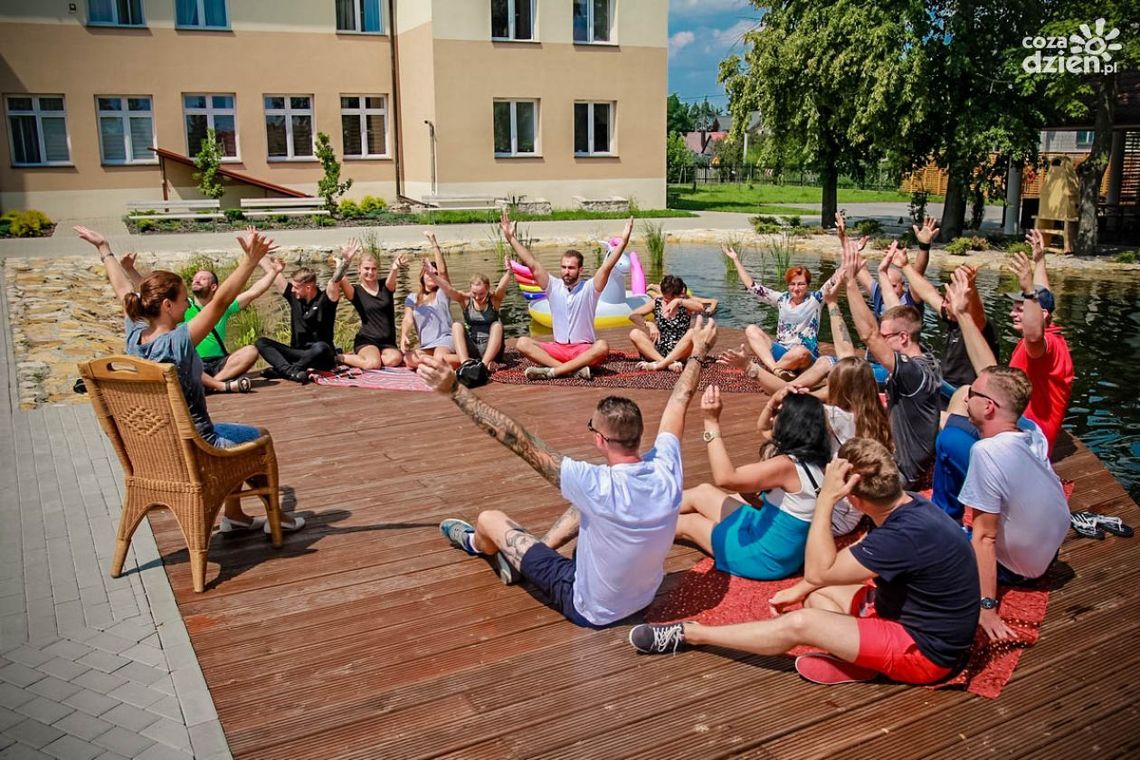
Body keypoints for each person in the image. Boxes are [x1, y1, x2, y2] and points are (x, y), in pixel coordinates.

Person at [427, 317, 719, 627]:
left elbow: (516, 439)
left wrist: (456, 391)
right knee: (586, 505)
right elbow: (680, 398)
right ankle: (537, 551)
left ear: (599, 439)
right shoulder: (666, 467)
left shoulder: (595, 484)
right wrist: (698, 351)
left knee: (489, 519)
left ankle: (476, 544)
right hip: (642, 599)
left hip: (588, 607)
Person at [629, 438, 980, 688]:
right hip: (905, 613)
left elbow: (819, 569)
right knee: (816, 596)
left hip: (924, 652)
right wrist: (800, 587)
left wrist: (825, 499)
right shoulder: (907, 503)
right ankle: (862, 661)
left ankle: (691, 634)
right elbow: (831, 570)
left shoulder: (901, 536)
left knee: (803, 623)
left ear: (853, 499)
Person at [74, 225, 303, 533]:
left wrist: (104, 248)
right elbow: (220, 301)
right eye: (183, 299)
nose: (187, 305)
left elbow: (122, 290)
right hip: (197, 446)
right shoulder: (178, 342)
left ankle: (235, 516)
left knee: (238, 434)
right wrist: (249, 261)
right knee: (259, 440)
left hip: (155, 450)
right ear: (168, 306)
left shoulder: (135, 335)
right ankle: (277, 518)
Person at [677, 385, 852, 580]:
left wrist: (711, 423)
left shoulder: (786, 467)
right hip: (772, 539)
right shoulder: (815, 461)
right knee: (703, 492)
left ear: (788, 423)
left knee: (689, 523)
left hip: (762, 557)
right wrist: (773, 401)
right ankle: (647, 507)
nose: (772, 417)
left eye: (778, 413)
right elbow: (764, 427)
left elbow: (726, 478)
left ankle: (640, 530)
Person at [957, 364, 1070, 641]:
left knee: (928, 535)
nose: (964, 398)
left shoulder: (987, 452)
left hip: (1017, 570)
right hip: (1049, 555)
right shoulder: (1032, 433)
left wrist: (986, 607)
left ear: (988, 407)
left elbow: (984, 537)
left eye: (971, 393)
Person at [842, 244, 941, 490]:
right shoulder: (924, 356)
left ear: (904, 337)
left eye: (887, 337)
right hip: (900, 458)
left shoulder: (912, 372)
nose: (882, 342)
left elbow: (869, 335)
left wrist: (851, 284)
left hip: (900, 473)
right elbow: (893, 308)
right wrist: (884, 273)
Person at [506, 209, 634, 380]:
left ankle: (554, 371)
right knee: (522, 343)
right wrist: (511, 239)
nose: (566, 272)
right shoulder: (553, 286)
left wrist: (623, 242)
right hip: (558, 349)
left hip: (583, 350)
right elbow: (532, 264)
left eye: (571, 268)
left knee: (602, 346)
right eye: (564, 267)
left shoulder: (590, 288)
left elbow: (606, 267)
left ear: (580, 270)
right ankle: (570, 370)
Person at [723, 244, 840, 380]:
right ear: (788, 284)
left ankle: (768, 373)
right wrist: (736, 259)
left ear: (808, 285)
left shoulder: (815, 300)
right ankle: (776, 369)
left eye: (801, 284)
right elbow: (753, 287)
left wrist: (851, 251)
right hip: (781, 351)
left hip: (803, 356)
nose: (796, 288)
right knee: (751, 330)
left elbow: (834, 279)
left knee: (800, 352)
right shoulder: (781, 299)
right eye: (792, 284)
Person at [1007, 230, 1072, 455]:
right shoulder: (1050, 329)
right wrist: (1039, 260)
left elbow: (1034, 336)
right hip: (1023, 430)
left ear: (1040, 314)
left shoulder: (1045, 345)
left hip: (1030, 441)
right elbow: (1045, 299)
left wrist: (1028, 290)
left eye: (1020, 308)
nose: (1013, 314)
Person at [253, 243, 351, 384]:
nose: (292, 290)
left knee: (322, 347)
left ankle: (286, 370)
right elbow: (272, 271)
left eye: (296, 287)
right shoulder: (294, 297)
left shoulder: (325, 300)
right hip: (297, 354)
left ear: (309, 287)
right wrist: (258, 251)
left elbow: (335, 280)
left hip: (320, 357)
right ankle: (291, 372)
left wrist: (346, 262)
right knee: (261, 343)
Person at [331, 241, 408, 370]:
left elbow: (392, 276)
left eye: (373, 269)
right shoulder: (355, 292)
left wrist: (395, 268)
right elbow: (339, 278)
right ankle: (337, 357)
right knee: (373, 364)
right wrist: (344, 261)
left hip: (388, 342)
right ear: (359, 269)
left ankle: (360, 358)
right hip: (367, 340)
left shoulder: (386, 286)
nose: (370, 272)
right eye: (366, 268)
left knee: (394, 359)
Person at [425, 256, 511, 367]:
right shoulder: (465, 300)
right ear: (470, 290)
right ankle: (466, 363)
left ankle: (484, 365)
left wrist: (509, 272)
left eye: (481, 294)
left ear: (488, 289)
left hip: (492, 351)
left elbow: (501, 288)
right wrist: (433, 276)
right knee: (456, 325)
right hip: (472, 349)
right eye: (474, 293)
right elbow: (449, 289)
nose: (477, 297)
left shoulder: (494, 300)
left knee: (497, 325)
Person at [629, 275, 714, 372]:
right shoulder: (657, 302)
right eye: (665, 298)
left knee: (692, 332)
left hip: (680, 351)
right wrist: (649, 324)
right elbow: (633, 315)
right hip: (658, 350)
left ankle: (662, 364)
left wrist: (678, 301)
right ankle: (667, 363)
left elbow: (700, 307)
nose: (666, 301)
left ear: (678, 295)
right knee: (634, 333)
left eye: (669, 299)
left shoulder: (684, 304)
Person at [401, 232, 461, 370]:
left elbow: (443, 271)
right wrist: (404, 334)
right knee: (408, 359)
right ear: (422, 275)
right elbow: (407, 319)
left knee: (439, 358)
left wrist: (434, 243)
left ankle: (467, 359)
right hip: (427, 344)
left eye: (433, 273)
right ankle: (437, 362)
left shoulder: (442, 293)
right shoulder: (412, 298)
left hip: (445, 339)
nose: (430, 275)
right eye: (427, 272)